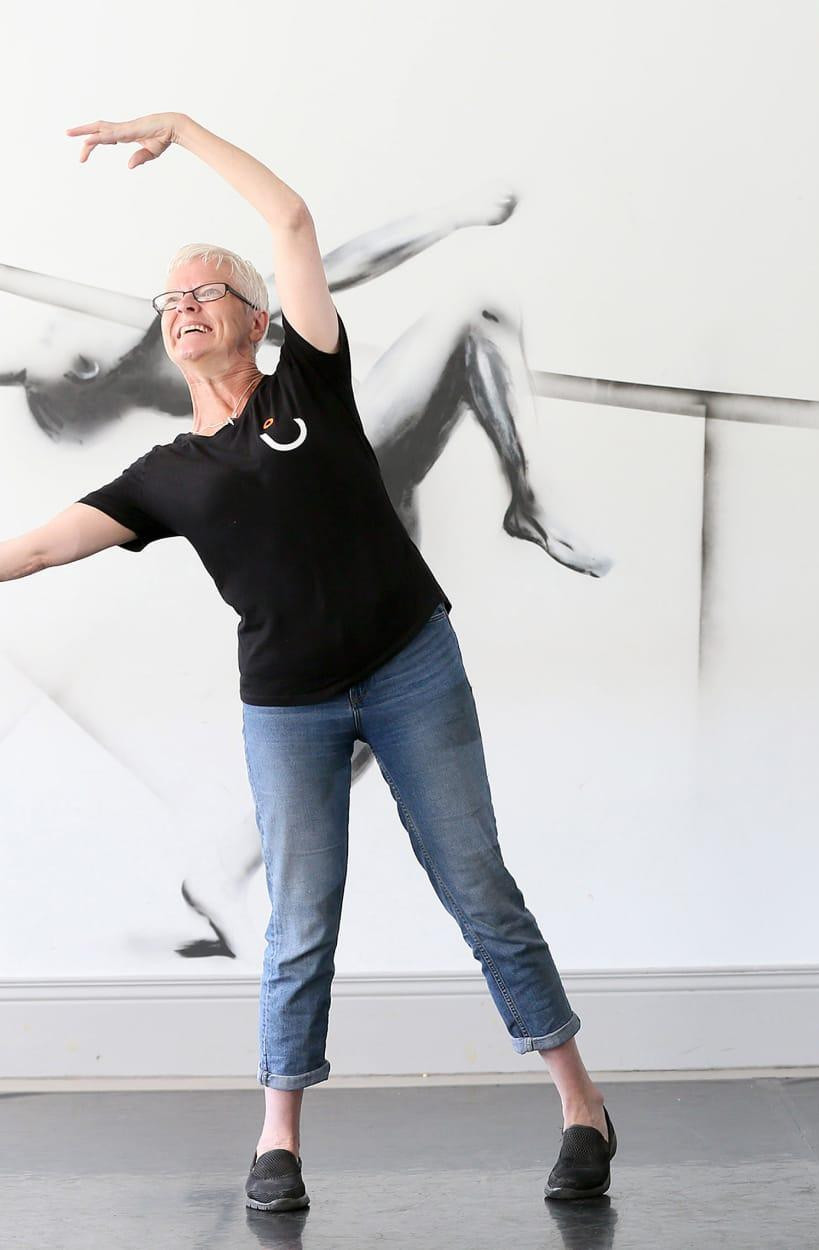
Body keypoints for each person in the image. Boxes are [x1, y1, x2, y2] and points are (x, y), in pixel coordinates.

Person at [0, 112, 616, 1209]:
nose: (184, 307)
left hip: (409, 663)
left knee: (478, 886)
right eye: (170, 299)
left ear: (256, 316)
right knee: (301, 916)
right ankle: (278, 1135)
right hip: (288, 704)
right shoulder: (164, 473)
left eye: (206, 292)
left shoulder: (310, 385)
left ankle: (579, 1099)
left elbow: (288, 217)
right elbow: (41, 545)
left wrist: (183, 130)